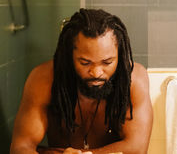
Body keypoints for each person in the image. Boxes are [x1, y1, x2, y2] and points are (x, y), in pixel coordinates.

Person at [10, 8, 153, 154]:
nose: (96, 72)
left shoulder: (134, 79)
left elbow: (137, 149)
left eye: (107, 62)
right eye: (85, 63)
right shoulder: (44, 79)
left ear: (119, 55)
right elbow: (21, 147)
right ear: (69, 55)